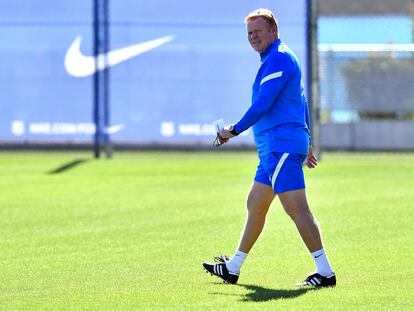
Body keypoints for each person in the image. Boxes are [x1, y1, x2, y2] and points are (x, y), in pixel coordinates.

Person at [203, 8, 336, 287]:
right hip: (274, 149)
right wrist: (308, 141)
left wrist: (233, 130)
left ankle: (325, 272)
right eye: (250, 33)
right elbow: (302, 102)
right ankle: (233, 267)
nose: (253, 37)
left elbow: (263, 105)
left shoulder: (278, 58)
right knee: (256, 204)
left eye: (258, 31)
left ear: (274, 31)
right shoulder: (276, 57)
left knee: (297, 209)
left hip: (281, 147)